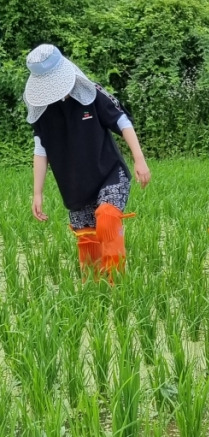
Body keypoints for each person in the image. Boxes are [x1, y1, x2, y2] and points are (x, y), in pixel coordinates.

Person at [24, 44, 151, 282]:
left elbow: (121, 120)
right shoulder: (42, 111)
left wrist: (139, 159)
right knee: (87, 241)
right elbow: (41, 149)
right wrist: (37, 193)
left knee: (107, 217)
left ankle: (117, 284)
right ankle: (94, 291)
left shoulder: (91, 93)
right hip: (74, 184)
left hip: (109, 173)